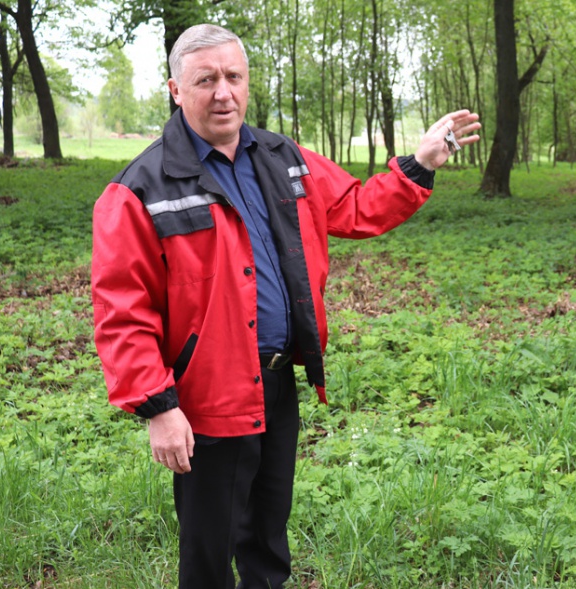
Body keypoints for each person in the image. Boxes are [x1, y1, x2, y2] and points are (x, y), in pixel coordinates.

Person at [91, 23, 479, 589]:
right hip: (207, 397)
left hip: (275, 383)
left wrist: (419, 163)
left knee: (268, 540)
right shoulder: (141, 189)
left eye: (233, 77)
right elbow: (123, 311)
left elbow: (356, 207)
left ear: (247, 83)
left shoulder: (283, 158)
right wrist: (158, 407)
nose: (222, 92)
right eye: (205, 80)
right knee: (209, 553)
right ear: (176, 89)